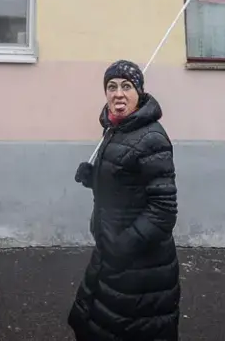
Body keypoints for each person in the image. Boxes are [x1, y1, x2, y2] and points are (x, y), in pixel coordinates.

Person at [67, 59, 180, 341]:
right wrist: (94, 178)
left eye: (127, 86)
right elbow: (127, 183)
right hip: (113, 254)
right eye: (112, 86)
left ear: (139, 93)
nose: (118, 93)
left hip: (140, 264)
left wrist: (124, 245)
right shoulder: (117, 130)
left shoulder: (151, 137)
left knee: (131, 329)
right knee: (100, 323)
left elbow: (163, 210)